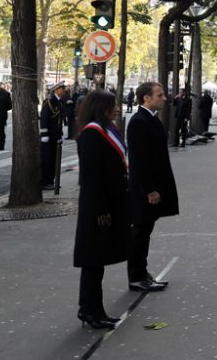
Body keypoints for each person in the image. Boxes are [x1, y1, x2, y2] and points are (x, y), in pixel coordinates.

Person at [72, 90, 129, 330]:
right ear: (101, 108)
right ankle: (90, 310)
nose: (116, 109)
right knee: (93, 262)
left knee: (98, 261)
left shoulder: (105, 130)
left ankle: (95, 309)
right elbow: (90, 177)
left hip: (107, 204)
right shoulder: (92, 135)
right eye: (112, 106)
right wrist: (101, 210)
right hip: (97, 207)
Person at [126, 82, 179, 292]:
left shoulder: (149, 119)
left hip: (152, 186)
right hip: (144, 190)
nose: (164, 98)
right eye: (159, 95)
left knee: (144, 231)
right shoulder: (139, 122)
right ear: (146, 98)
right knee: (139, 233)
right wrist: (150, 190)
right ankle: (136, 276)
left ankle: (142, 272)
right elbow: (139, 161)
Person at [40, 81, 67, 190]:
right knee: (47, 159)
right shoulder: (50, 101)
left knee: (53, 160)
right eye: (62, 88)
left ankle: (51, 180)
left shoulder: (59, 101)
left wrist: (60, 134)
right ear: (56, 90)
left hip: (55, 135)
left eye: (63, 88)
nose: (63, 90)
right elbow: (44, 119)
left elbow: (59, 121)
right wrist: (44, 134)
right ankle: (45, 182)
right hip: (48, 136)